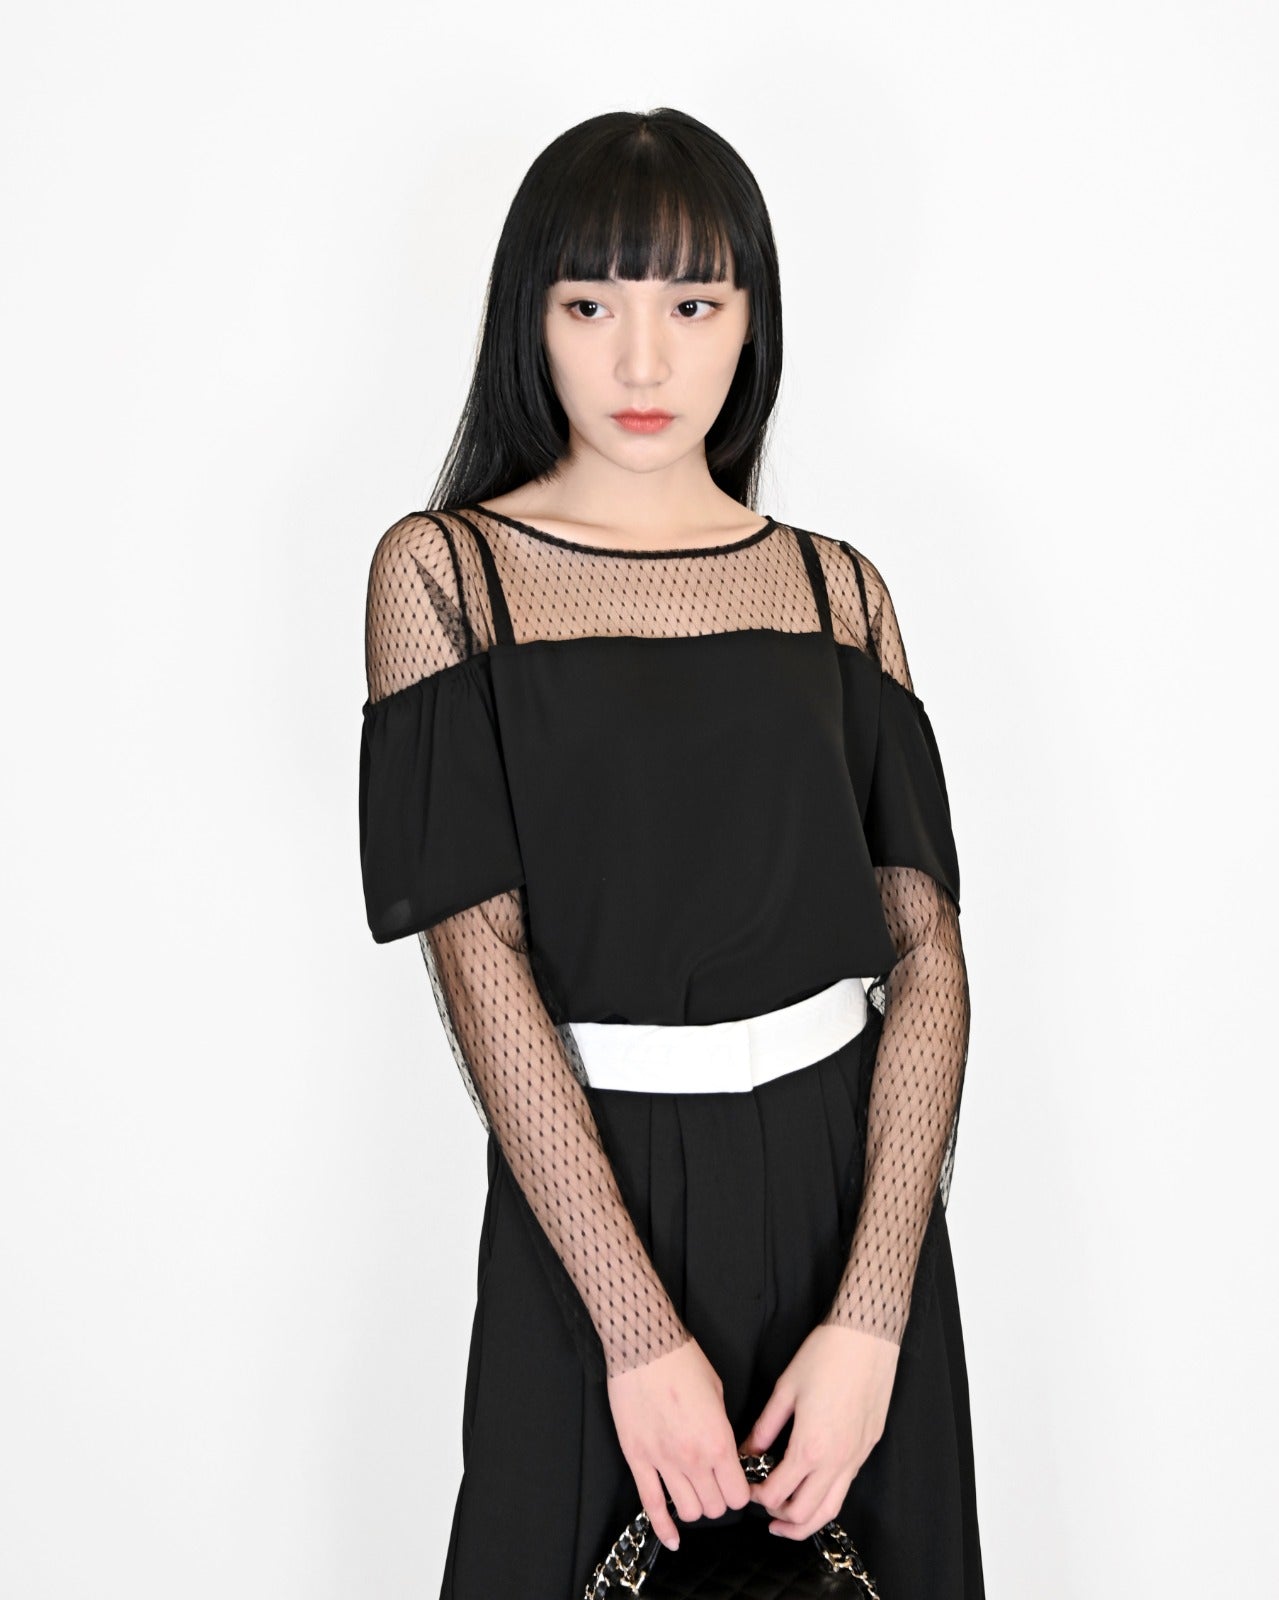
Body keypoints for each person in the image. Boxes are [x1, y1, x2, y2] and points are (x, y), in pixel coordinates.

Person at [358, 107, 984, 1599]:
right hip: (594, 1198)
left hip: (850, 1198)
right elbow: (478, 961)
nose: (643, 363)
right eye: (591, 307)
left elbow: (927, 954)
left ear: (752, 319)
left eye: (693, 306)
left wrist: (875, 1315)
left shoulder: (837, 593)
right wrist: (638, 1338)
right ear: (530, 321)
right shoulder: (447, 574)